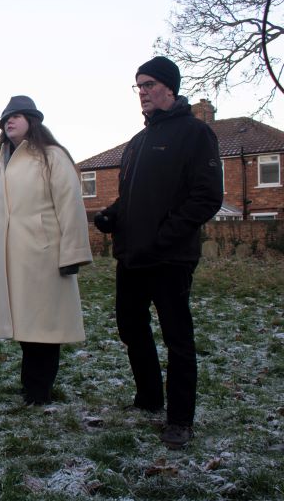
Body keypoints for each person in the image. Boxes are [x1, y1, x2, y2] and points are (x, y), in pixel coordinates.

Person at [94, 56, 222, 449]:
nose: (143, 93)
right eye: (139, 86)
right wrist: (111, 216)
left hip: (170, 258)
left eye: (149, 85)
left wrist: (165, 235)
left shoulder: (195, 134)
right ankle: (149, 398)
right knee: (131, 330)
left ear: (170, 87)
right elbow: (131, 199)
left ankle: (180, 419)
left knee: (177, 339)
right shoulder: (138, 142)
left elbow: (207, 197)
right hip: (132, 256)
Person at [0, 95, 92, 406]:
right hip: (8, 258)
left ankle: (39, 390)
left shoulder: (52, 157)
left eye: (16, 116)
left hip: (44, 255)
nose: (9, 122)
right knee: (24, 327)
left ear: (32, 120)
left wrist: (73, 254)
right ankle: (31, 386)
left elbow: (70, 206)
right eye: (5, 119)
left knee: (44, 328)